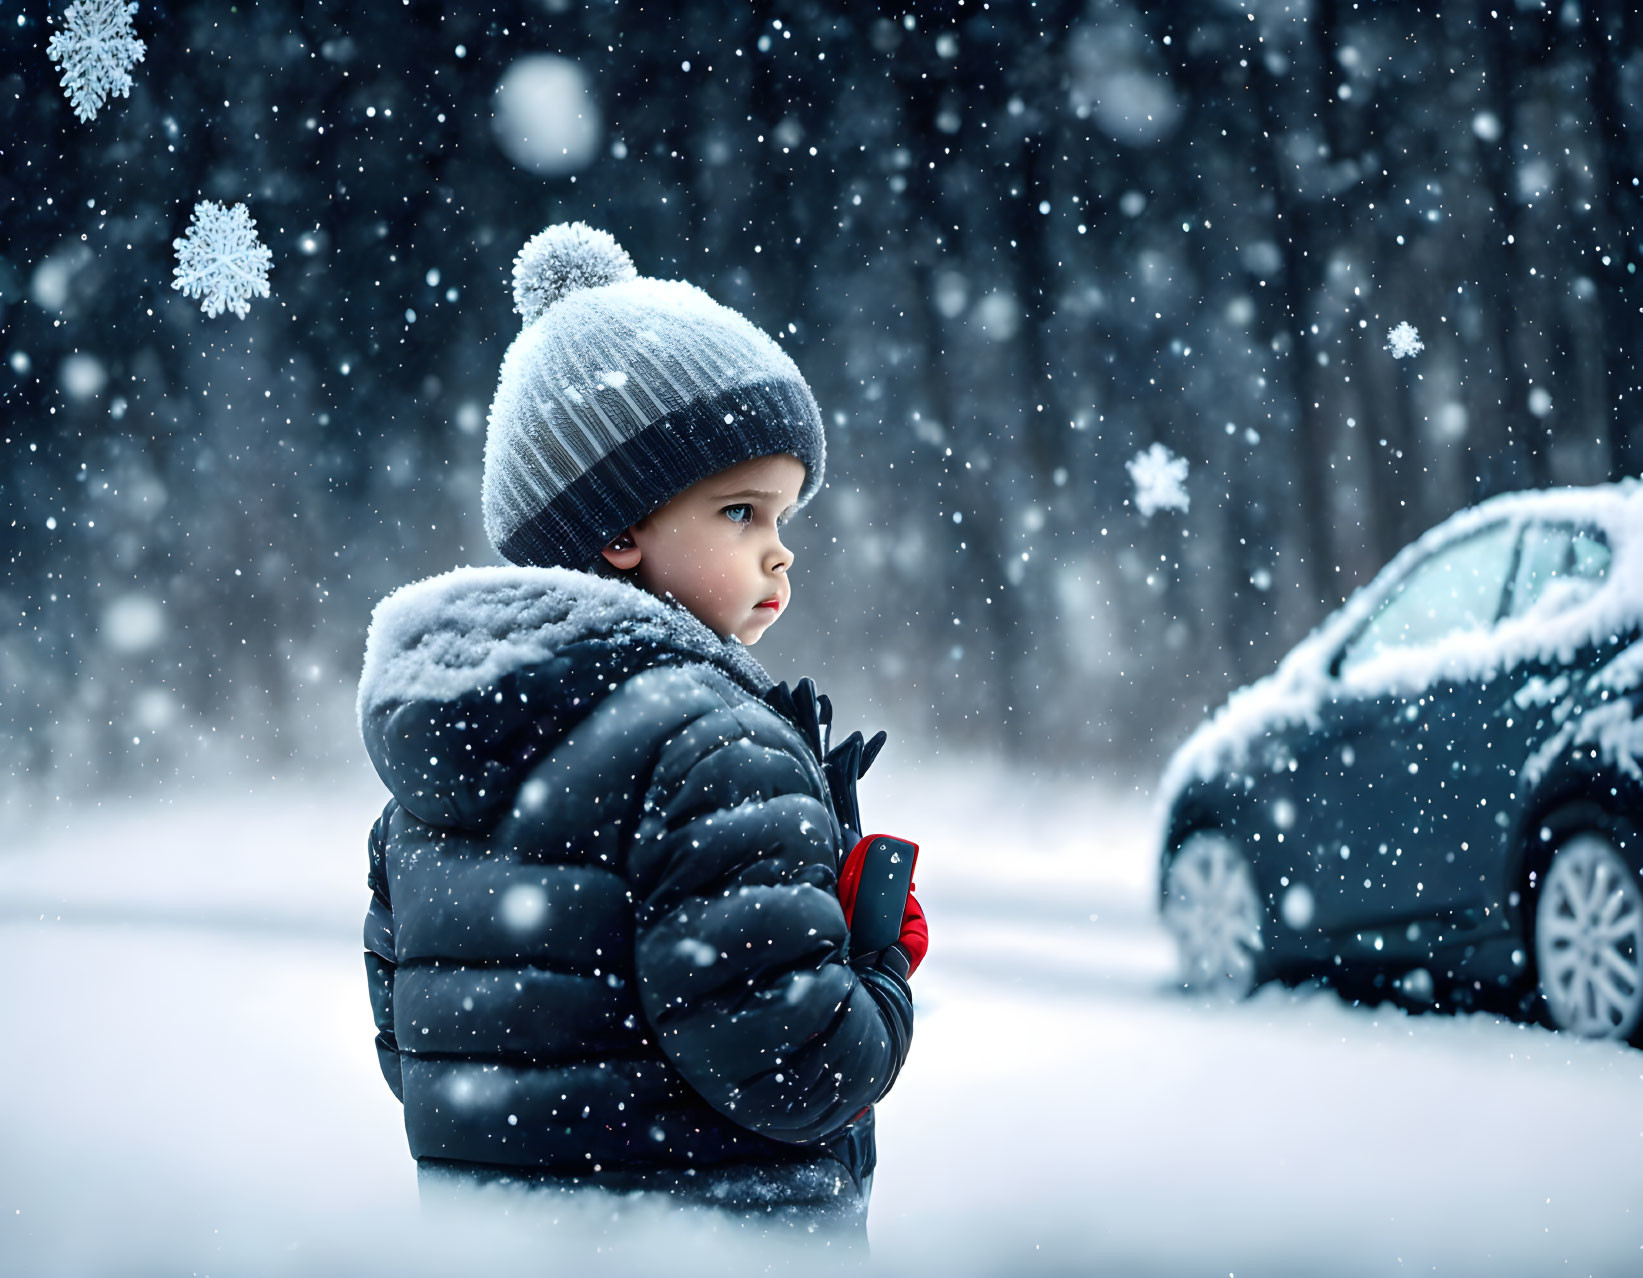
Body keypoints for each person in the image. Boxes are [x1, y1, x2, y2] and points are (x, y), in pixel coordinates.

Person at [355, 222, 927, 1249]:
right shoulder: (711, 748)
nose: (778, 554)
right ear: (617, 531)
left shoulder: (437, 769)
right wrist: (876, 961)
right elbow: (796, 1071)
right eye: (743, 512)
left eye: (786, 520)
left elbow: (415, 1057)